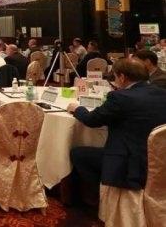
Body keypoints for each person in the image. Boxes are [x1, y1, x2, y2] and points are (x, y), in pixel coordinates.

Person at [68, 58, 166, 193]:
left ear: (122, 77)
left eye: (114, 77)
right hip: (159, 158)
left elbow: (92, 120)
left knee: (78, 153)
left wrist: (77, 109)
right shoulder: (162, 93)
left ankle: (99, 195)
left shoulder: (120, 97)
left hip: (129, 163)